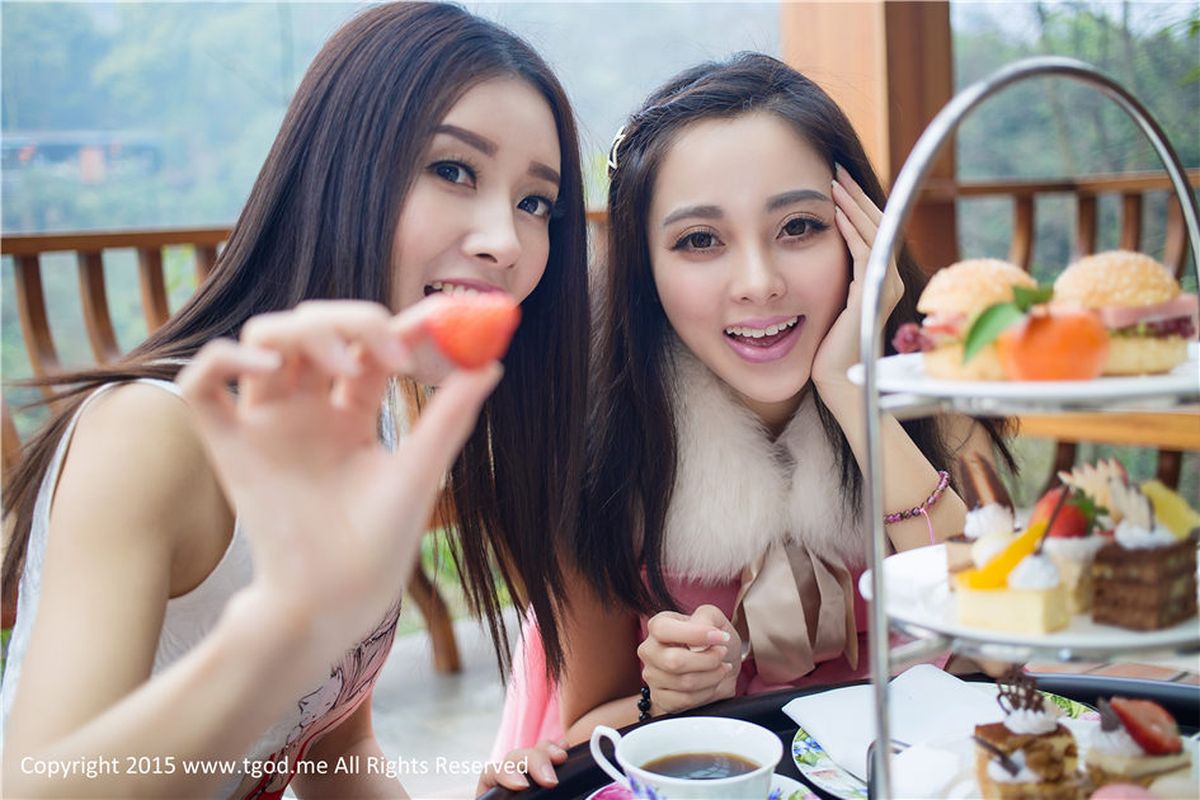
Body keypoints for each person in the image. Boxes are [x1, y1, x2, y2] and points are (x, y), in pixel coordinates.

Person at [0, 3, 588, 797]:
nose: (507, 242)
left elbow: (333, 755)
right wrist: (283, 626)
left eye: (535, 202)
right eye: (453, 170)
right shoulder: (149, 434)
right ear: (340, 168)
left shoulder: (359, 420)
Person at [490, 53, 1014, 780]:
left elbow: (997, 643)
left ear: (862, 235)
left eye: (799, 226)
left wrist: (853, 393)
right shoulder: (601, 454)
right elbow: (583, 729)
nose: (759, 284)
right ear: (644, 267)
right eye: (699, 241)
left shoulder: (933, 393)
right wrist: (662, 698)